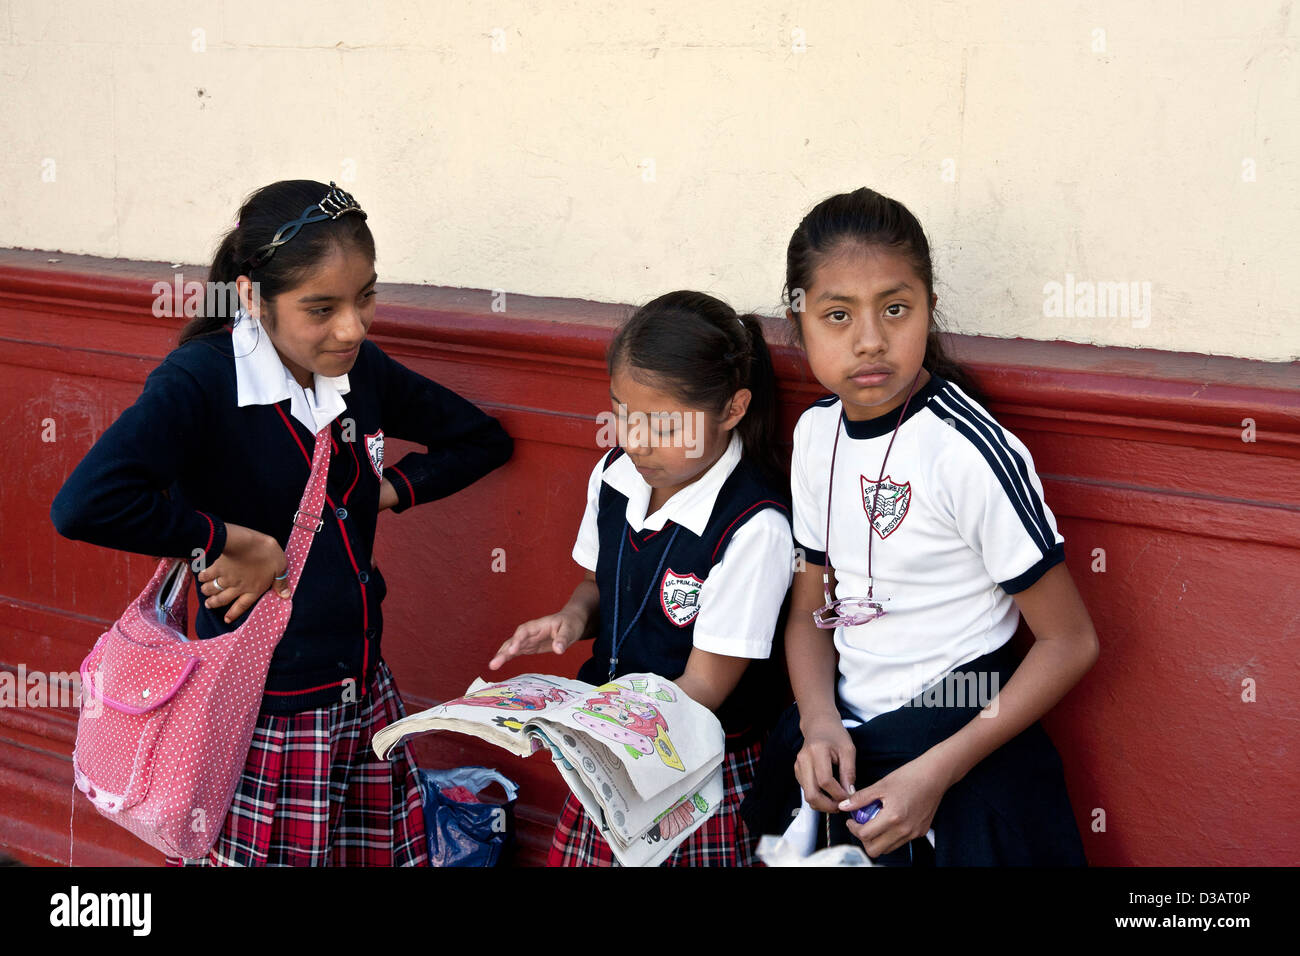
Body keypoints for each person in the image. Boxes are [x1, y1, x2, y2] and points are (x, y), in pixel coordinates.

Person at [50, 179, 513, 866]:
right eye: (320, 308)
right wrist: (232, 542)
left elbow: (482, 440)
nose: (352, 327)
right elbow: (85, 502)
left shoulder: (360, 372)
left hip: (359, 691)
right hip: (258, 711)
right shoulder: (202, 381)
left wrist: (381, 493)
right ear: (249, 297)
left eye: (366, 298)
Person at [742, 187, 1098, 865]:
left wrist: (938, 772)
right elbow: (809, 610)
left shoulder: (965, 452)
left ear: (929, 309)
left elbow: (1069, 641)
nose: (870, 340)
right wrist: (818, 722)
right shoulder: (817, 436)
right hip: (851, 744)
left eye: (895, 309)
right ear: (800, 322)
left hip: (961, 742)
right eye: (838, 314)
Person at [488, 290, 794, 866]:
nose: (636, 441)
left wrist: (584, 726)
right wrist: (573, 617)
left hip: (693, 775)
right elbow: (600, 583)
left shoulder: (755, 528)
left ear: (732, 410)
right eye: (623, 413)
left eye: (663, 426)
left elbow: (704, 687)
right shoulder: (615, 477)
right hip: (612, 756)